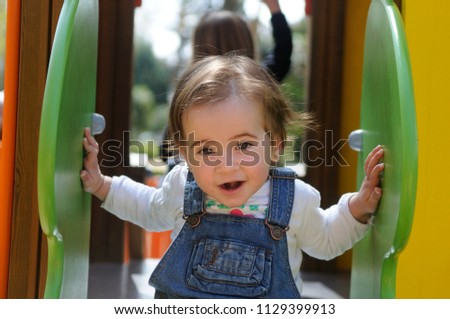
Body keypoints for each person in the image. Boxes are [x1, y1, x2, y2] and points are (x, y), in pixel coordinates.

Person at [80, 55, 384, 299]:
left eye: (243, 145)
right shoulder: (181, 187)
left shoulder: (295, 200)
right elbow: (146, 206)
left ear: (275, 144)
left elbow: (327, 238)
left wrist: (359, 207)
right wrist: (101, 185)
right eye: (207, 150)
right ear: (185, 155)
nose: (226, 165)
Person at [159, 0, 293, 166]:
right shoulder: (257, 82)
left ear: (198, 48)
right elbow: (283, 51)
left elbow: (164, 150)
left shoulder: (190, 89)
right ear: (247, 43)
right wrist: (274, 8)